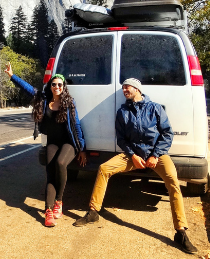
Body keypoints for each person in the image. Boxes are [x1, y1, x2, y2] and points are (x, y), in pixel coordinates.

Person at [73, 78, 198, 255]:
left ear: (137, 89)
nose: (124, 89)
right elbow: (122, 139)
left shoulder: (155, 108)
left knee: (173, 183)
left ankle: (181, 231)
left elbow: (167, 133)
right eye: (123, 87)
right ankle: (93, 212)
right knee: (104, 169)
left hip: (157, 154)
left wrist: (155, 155)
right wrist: (133, 155)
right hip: (133, 155)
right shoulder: (122, 111)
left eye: (127, 86)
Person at [4, 62, 86, 227]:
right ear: (51, 86)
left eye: (60, 84)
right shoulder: (43, 99)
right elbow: (28, 89)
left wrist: (82, 148)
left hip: (69, 143)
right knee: (50, 172)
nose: (56, 86)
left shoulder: (69, 103)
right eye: (54, 84)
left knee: (61, 163)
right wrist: (12, 76)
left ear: (63, 87)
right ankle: (48, 211)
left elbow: (76, 126)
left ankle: (59, 202)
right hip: (53, 142)